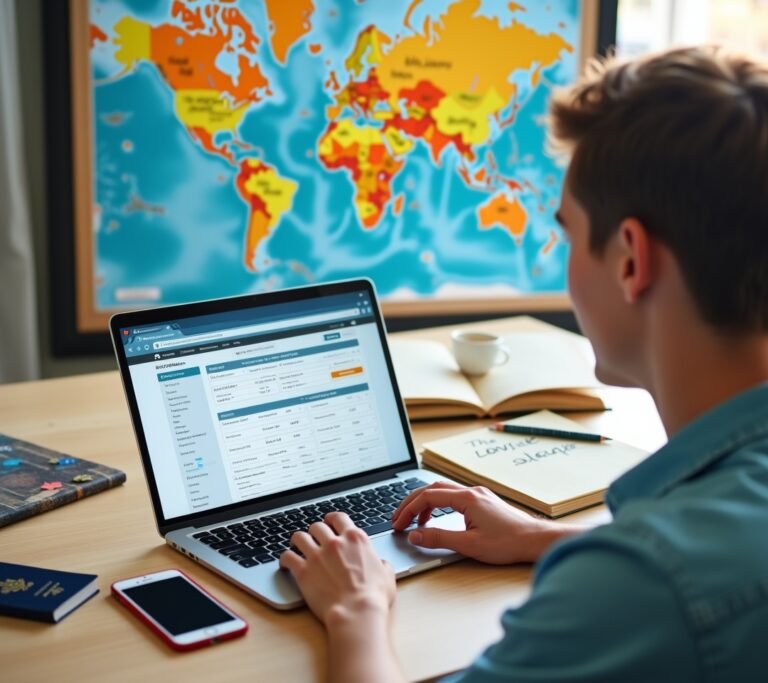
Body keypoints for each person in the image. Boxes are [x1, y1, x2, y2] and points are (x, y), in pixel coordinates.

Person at [279, 45, 768, 682]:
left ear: (630, 261)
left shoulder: (638, 587)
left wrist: (356, 608)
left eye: (568, 234)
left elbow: (663, 588)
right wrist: (542, 537)